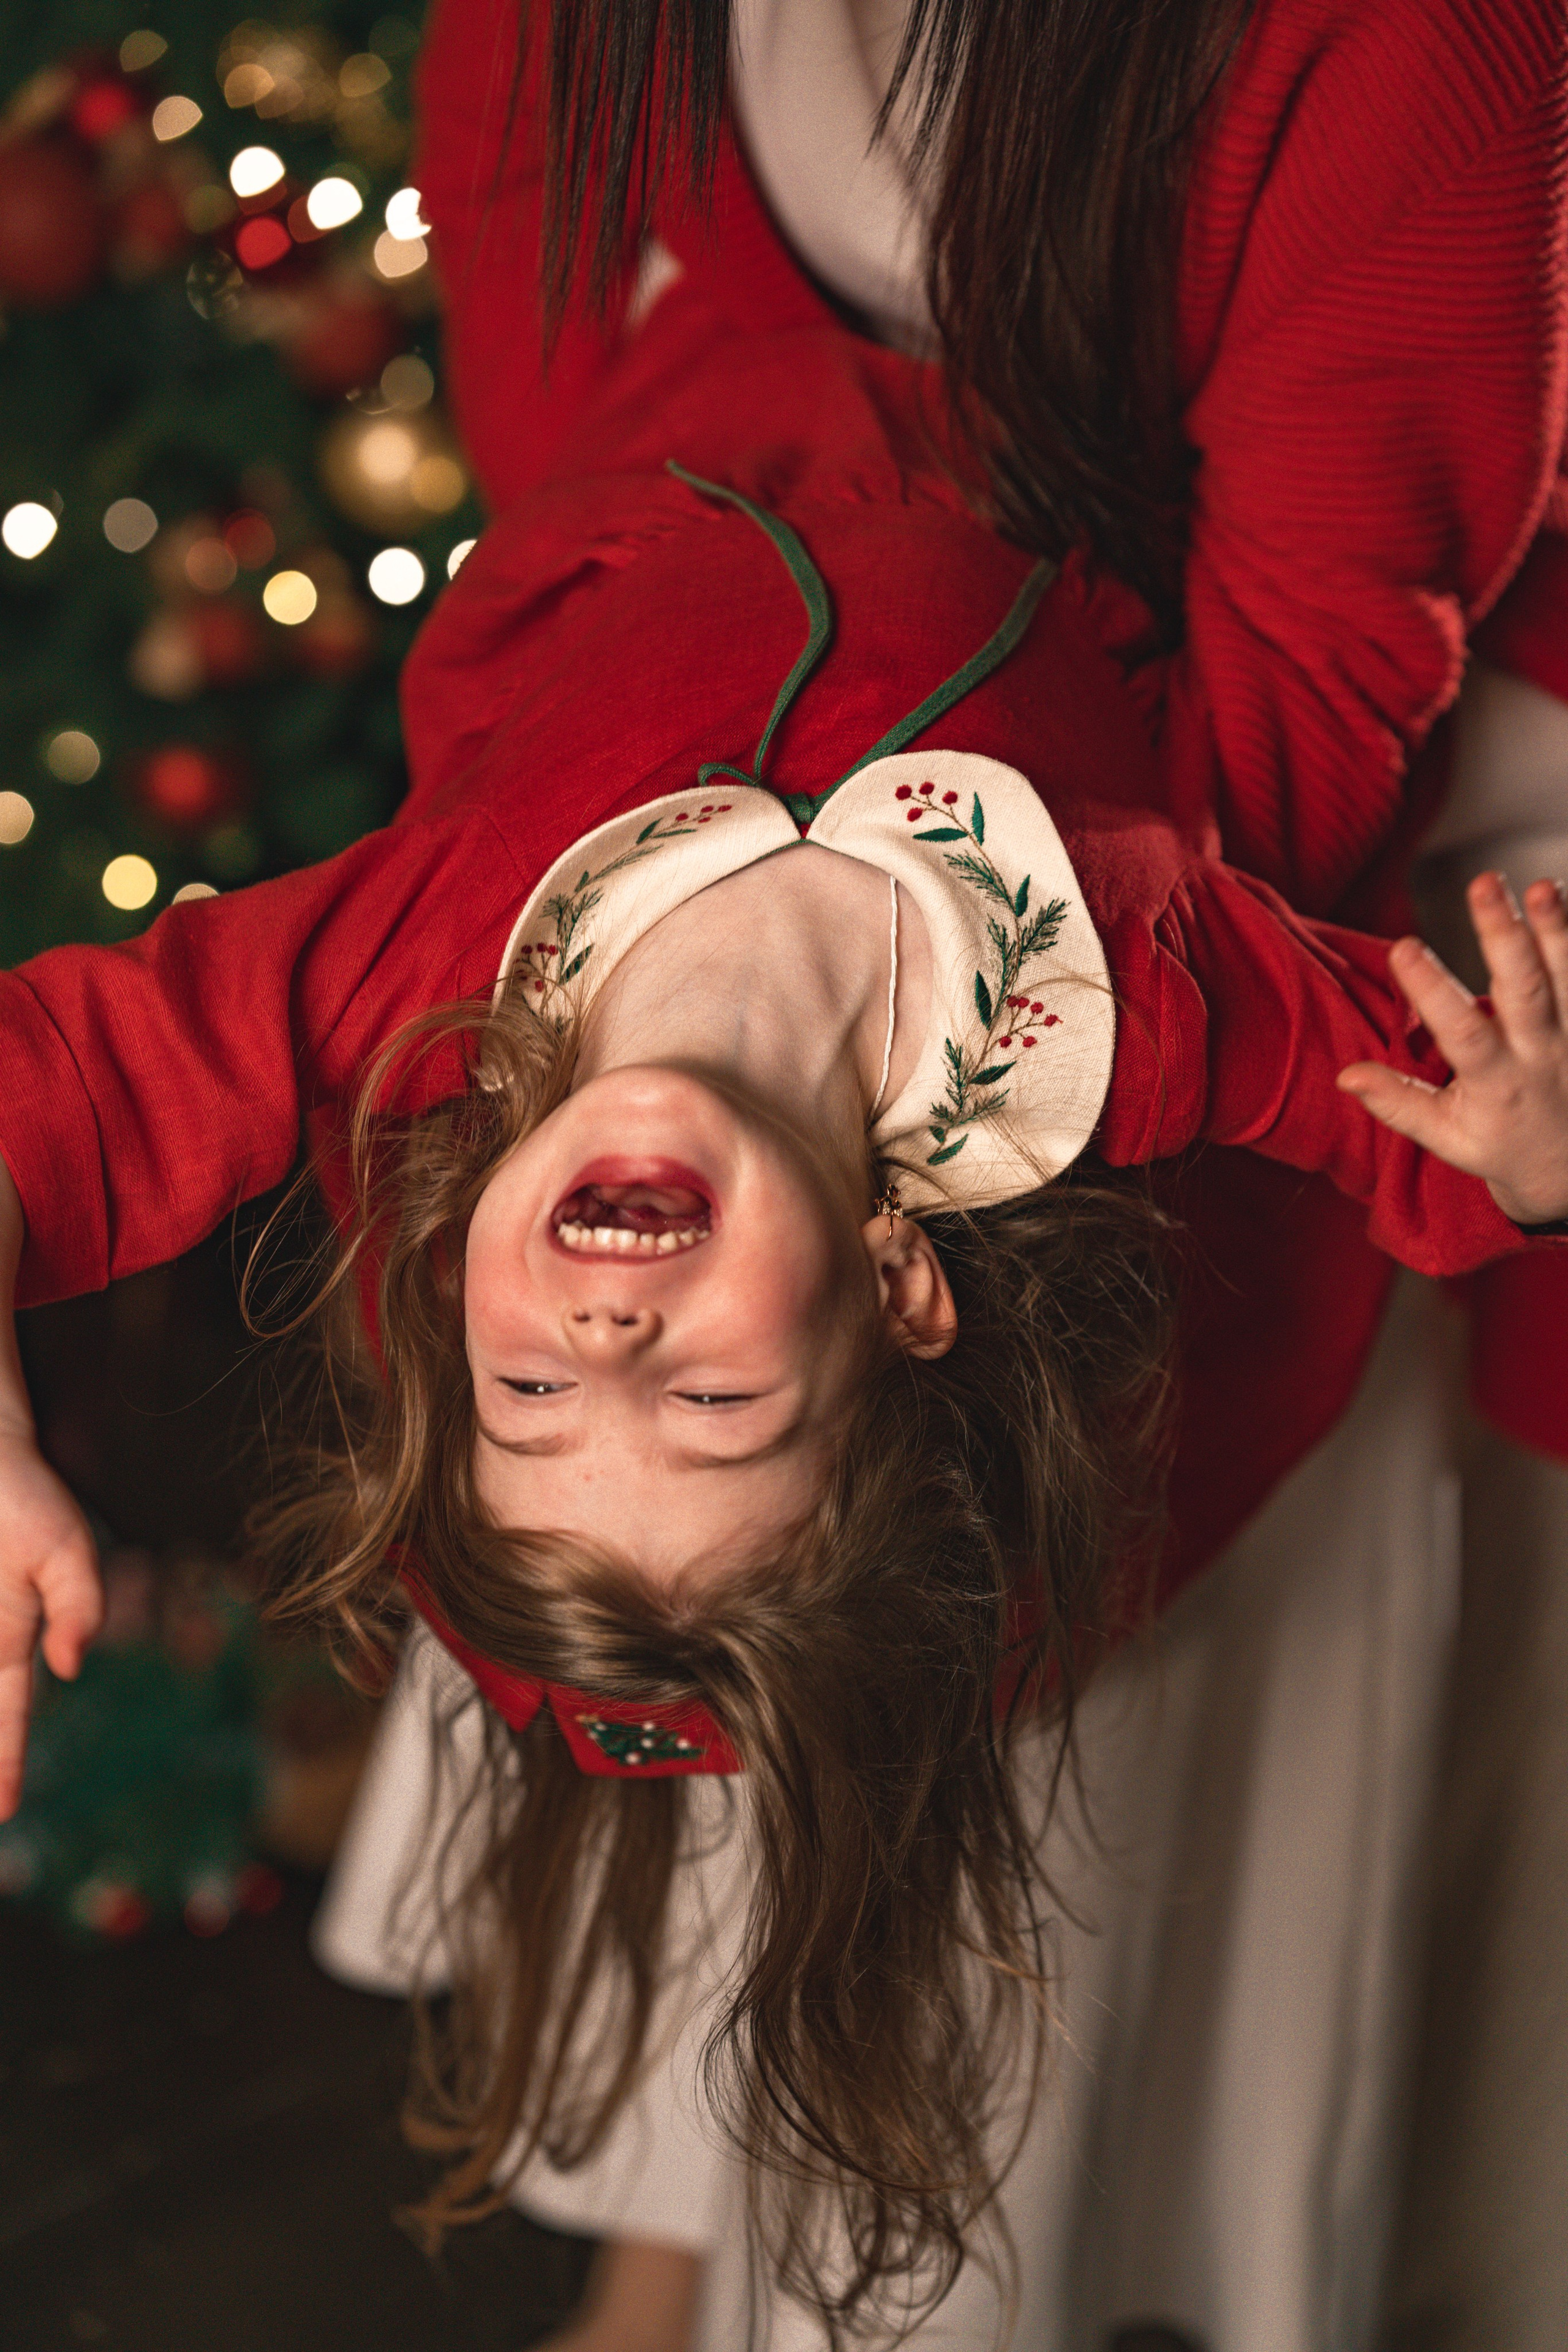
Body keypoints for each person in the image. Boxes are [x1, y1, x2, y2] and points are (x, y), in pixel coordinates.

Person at [3, 2, 1566, 2346]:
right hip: (1003, 515)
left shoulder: (410, 996)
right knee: (900, 1634)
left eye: (538, 1402)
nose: (608, 1347)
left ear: (451, 1295)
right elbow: (1371, 1098)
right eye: (705, 1403)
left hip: (736, 445)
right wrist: (1520, 1175)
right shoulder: (1100, 1013)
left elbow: (68, 1096)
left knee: (753, 1633)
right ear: (906, 1289)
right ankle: (710, 2237)